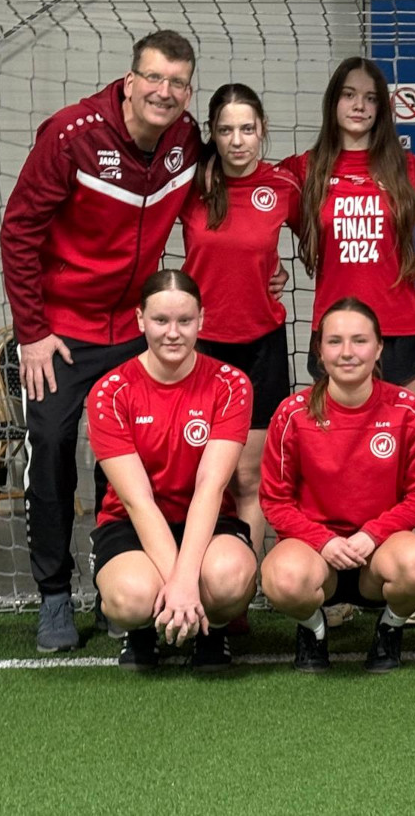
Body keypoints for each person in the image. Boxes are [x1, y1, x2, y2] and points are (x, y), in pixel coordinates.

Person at [1, 30, 203, 652]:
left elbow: (208, 210)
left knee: (137, 457)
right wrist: (33, 333)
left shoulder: (187, 139)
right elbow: (19, 231)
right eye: (154, 78)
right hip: (63, 334)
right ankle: (55, 596)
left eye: (177, 82)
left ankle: (123, 584)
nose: (163, 92)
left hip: (136, 330)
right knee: (54, 443)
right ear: (129, 79)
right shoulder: (71, 135)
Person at [258, 298, 415, 673]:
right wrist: (323, 540)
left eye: (359, 341)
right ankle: (313, 629)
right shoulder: (292, 413)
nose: (347, 353)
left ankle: (390, 627)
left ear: (378, 349)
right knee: (281, 579)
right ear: (319, 353)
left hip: (377, 555)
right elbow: (275, 502)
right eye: (335, 342)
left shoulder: (407, 411)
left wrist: (372, 535)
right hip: (315, 554)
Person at [87, 269, 257, 672]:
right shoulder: (110, 393)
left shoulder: (231, 385)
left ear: (202, 320)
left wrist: (186, 580)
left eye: (185, 320)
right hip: (133, 521)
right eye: (161, 320)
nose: (173, 332)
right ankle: (142, 629)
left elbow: (210, 488)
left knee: (231, 578)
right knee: (131, 597)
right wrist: (179, 584)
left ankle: (211, 630)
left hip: (206, 519)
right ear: (140, 319)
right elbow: (136, 499)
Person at [280, 57, 415, 398]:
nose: (359, 105)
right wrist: (270, 267)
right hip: (334, 328)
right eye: (349, 95)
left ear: (381, 108)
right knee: (336, 445)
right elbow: (255, 208)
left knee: (399, 442)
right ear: (333, 101)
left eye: (370, 97)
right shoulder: (306, 169)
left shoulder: (405, 168)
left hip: (397, 327)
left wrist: (401, 256)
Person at [181, 83, 303, 557]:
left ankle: (242, 585)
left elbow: (327, 243)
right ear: (212, 133)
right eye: (226, 129)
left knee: (249, 476)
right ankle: (195, 570)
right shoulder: (192, 187)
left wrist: (283, 270)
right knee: (205, 476)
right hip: (200, 350)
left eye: (247, 129)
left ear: (262, 131)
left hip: (262, 347)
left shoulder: (283, 187)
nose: (237, 140)